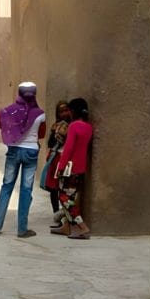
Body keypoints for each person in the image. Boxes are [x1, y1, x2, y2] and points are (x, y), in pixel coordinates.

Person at [0, 82, 46, 238]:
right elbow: (41, 135)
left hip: (13, 151)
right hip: (31, 153)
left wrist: (9, 129)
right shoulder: (40, 114)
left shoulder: (10, 111)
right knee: (26, 189)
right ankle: (22, 229)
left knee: (7, 186)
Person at [52, 97, 93, 239]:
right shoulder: (88, 127)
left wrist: (60, 167)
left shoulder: (74, 126)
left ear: (73, 111)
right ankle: (67, 227)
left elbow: (68, 149)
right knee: (71, 197)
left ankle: (82, 226)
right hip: (80, 168)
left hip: (70, 167)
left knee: (64, 198)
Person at [40, 101, 72, 223]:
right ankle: (56, 213)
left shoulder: (72, 126)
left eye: (66, 110)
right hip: (56, 158)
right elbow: (50, 144)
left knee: (66, 188)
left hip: (67, 160)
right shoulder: (55, 126)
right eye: (61, 111)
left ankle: (65, 213)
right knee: (53, 188)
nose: (64, 113)